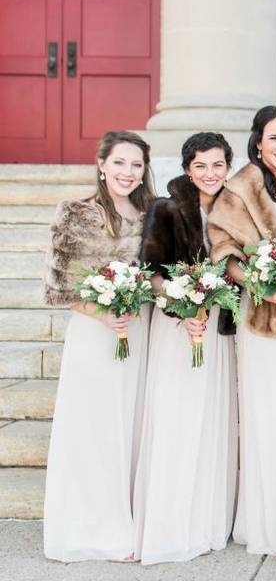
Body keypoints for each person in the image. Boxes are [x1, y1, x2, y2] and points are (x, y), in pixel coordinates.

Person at [42, 131, 156, 562]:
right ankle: (90, 529)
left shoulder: (152, 215)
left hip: (138, 331)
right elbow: (57, 287)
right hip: (95, 334)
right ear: (102, 164)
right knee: (95, 428)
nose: (128, 172)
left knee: (130, 426)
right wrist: (103, 313)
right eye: (120, 163)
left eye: (136, 165)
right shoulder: (76, 214)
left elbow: (160, 273)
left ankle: (125, 521)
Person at [208, 105, 276, 557]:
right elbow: (223, 250)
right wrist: (262, 286)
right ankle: (269, 523)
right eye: (274, 138)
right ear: (257, 142)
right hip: (263, 315)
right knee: (269, 414)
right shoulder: (240, 188)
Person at [133, 132, 238, 564]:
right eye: (201, 166)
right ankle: (169, 527)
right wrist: (183, 303)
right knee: (177, 419)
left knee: (211, 421)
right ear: (187, 168)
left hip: (218, 330)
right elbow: (151, 272)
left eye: (217, 165)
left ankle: (206, 523)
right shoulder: (166, 207)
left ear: (228, 167)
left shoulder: (235, 207)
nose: (210, 174)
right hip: (179, 328)